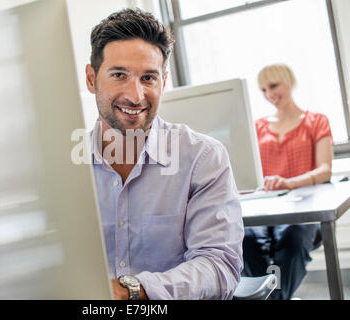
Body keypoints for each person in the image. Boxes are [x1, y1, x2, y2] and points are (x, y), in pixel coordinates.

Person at [85, 8, 244, 300]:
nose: (135, 95)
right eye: (119, 74)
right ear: (91, 78)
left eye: (148, 78)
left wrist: (133, 291)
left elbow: (220, 266)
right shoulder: (65, 168)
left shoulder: (202, 158)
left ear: (163, 82)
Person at [242, 64, 333, 300]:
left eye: (273, 85)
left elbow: (325, 170)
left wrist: (289, 183)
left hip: (303, 207)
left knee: (292, 240)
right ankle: (274, 297)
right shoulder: (258, 127)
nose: (269, 94)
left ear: (289, 81)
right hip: (264, 206)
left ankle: (275, 298)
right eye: (263, 90)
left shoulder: (316, 121)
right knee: (246, 240)